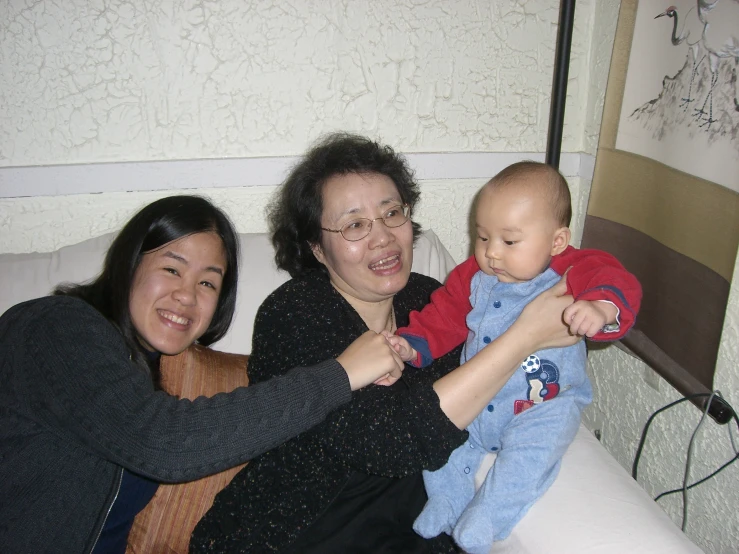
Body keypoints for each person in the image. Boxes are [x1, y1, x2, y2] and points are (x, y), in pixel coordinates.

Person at [190, 134, 583, 553]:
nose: (383, 237)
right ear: (318, 249)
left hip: (403, 535)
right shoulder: (293, 313)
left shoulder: (440, 298)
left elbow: (511, 402)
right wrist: (523, 336)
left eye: (392, 213)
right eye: (355, 224)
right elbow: (390, 442)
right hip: (294, 534)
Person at [0, 195, 405, 554]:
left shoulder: (144, 371)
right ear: (128, 264)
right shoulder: (54, 328)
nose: (188, 296)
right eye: (172, 270)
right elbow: (165, 442)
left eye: (208, 282)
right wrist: (340, 374)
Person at [384, 161, 642, 553]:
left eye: (509, 241)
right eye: (482, 237)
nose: (491, 254)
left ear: (557, 242)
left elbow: (618, 281)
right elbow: (445, 314)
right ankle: (447, 500)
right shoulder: (473, 275)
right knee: (443, 447)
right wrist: (412, 343)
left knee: (528, 461)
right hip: (481, 395)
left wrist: (601, 308)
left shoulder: (574, 268)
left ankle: (489, 517)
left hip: (544, 405)